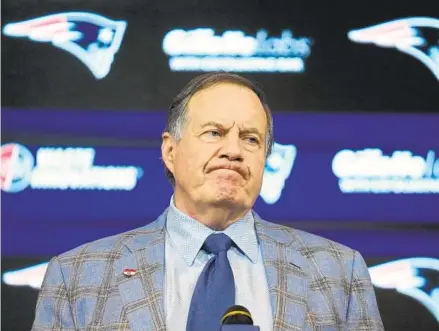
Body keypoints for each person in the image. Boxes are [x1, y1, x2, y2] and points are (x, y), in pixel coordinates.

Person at [31, 73, 384, 331]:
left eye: (251, 139)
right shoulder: (77, 276)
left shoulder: (339, 272)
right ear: (170, 150)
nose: (232, 150)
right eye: (214, 133)